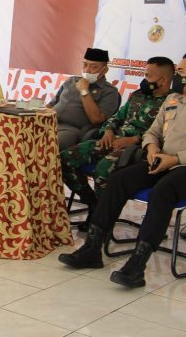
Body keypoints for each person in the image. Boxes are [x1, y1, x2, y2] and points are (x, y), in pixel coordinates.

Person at [59, 53, 186, 289]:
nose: (177, 76)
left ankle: (137, 266)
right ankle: (92, 248)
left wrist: (175, 159)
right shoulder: (173, 100)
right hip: (161, 161)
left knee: (162, 191)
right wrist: (152, 148)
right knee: (119, 179)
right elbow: (153, 132)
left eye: (181, 72)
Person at [61, 56, 175, 231]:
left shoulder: (173, 103)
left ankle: (99, 220)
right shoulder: (138, 95)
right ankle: (94, 205)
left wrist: (135, 139)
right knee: (64, 160)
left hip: (138, 149)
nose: (144, 79)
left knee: (103, 170)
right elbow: (117, 117)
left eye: (148, 76)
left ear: (163, 80)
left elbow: (167, 135)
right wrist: (108, 130)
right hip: (113, 140)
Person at [47, 48, 120, 151]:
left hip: (71, 130)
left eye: (93, 67)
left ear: (104, 70)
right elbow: (51, 104)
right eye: (85, 65)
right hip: (49, 122)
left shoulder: (109, 92)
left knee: (48, 144)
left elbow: (97, 119)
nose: (87, 70)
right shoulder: (71, 81)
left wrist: (84, 90)